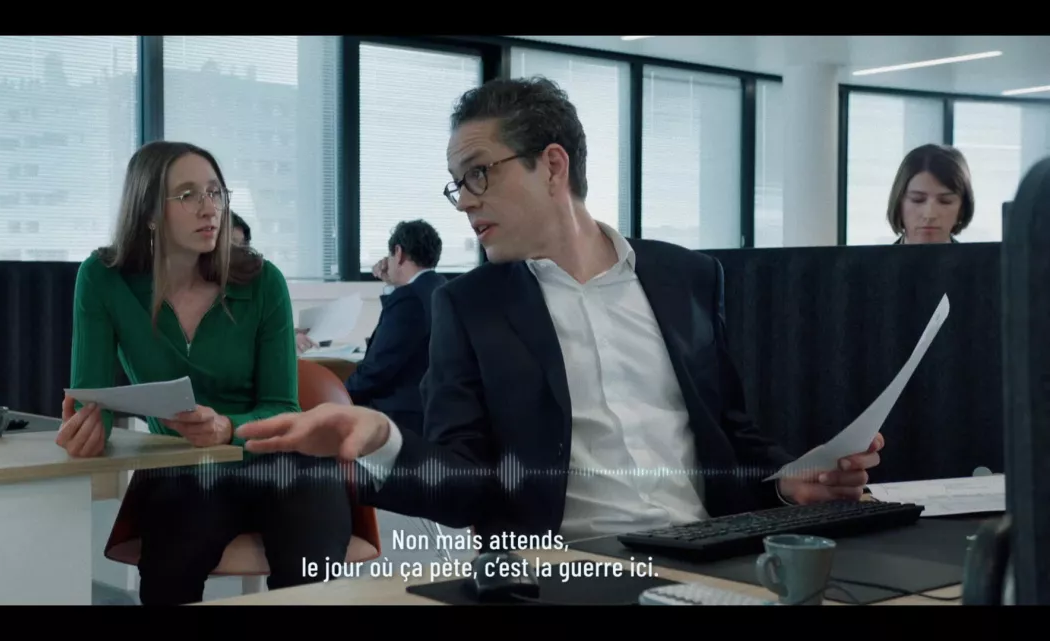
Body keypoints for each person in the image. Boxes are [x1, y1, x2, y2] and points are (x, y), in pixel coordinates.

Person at [234, 77, 885, 543]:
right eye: (457, 183)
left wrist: (786, 483)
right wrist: (385, 441)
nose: (464, 200)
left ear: (552, 166)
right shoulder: (470, 306)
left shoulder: (684, 276)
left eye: (478, 173)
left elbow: (730, 437)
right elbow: (463, 485)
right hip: (567, 567)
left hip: (708, 553)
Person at [54, 140, 351, 604]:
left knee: (310, 573)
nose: (209, 207)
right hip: (185, 466)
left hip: (279, 459)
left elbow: (283, 408)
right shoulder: (103, 278)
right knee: (171, 565)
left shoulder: (263, 282)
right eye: (188, 194)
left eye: (215, 192)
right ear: (149, 212)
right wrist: (90, 429)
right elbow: (94, 398)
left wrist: (227, 428)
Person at [345, 219, 446, 435]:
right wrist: (393, 284)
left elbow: (377, 368)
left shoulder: (409, 299)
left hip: (399, 416)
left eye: (390, 256)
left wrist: (340, 396)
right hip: (431, 411)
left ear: (398, 253)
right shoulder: (440, 287)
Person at [887, 144, 975, 244]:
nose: (929, 215)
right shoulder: (874, 255)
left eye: (945, 201)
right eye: (917, 200)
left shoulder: (981, 255)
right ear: (898, 203)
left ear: (962, 209)